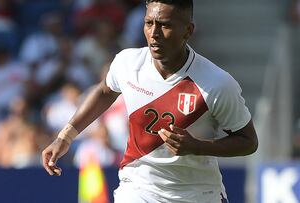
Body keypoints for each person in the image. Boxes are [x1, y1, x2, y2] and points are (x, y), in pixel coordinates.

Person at [42, 0, 258, 202]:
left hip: (197, 192)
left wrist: (197, 146)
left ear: (188, 31)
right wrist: (66, 136)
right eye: (149, 23)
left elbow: (248, 141)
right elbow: (105, 91)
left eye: (164, 25)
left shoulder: (216, 83)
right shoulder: (127, 62)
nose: (154, 33)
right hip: (137, 188)